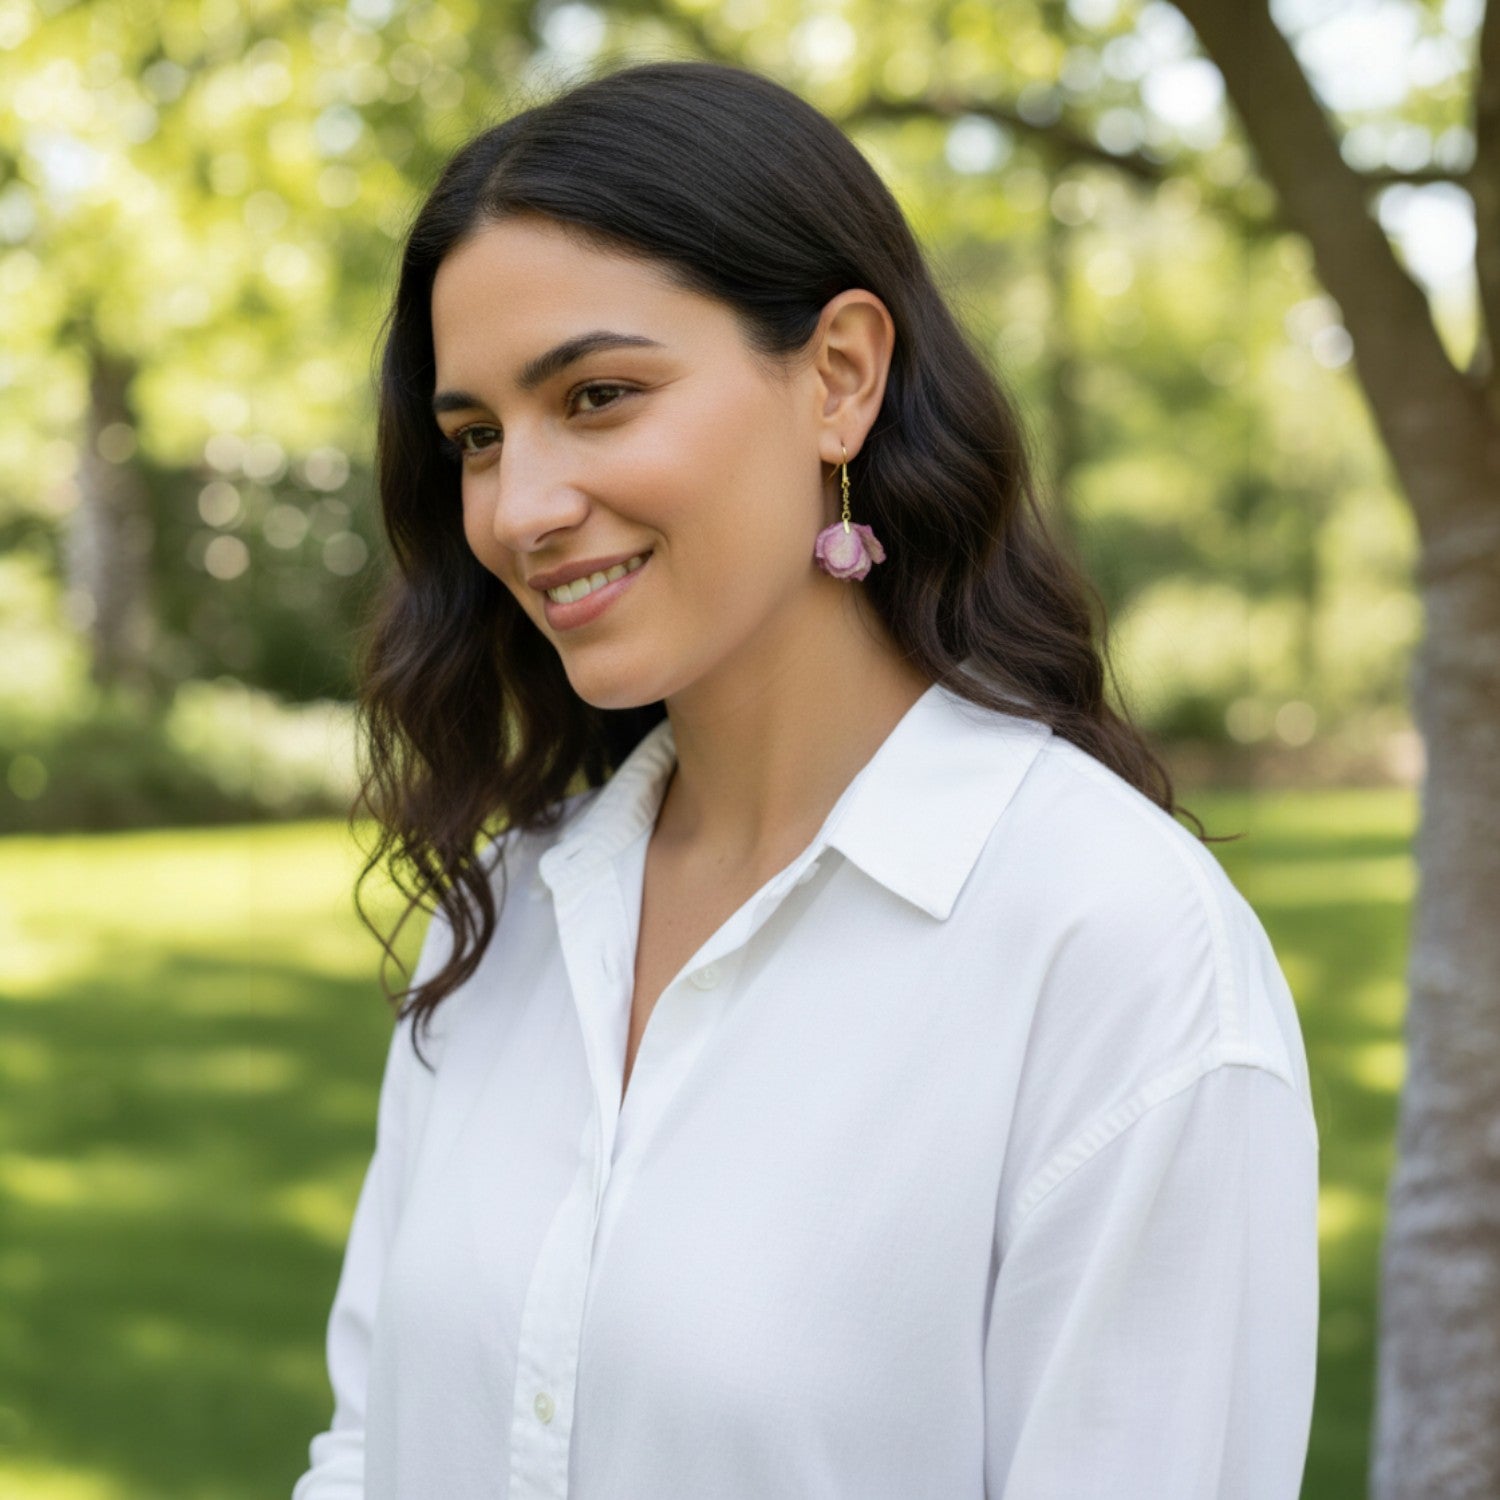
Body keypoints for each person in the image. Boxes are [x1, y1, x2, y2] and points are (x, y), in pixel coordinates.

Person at [292, 57, 1319, 1500]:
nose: (518, 508)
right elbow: (371, 1450)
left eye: (597, 395)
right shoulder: (513, 914)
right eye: (476, 438)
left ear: (839, 376)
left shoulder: (1116, 954)